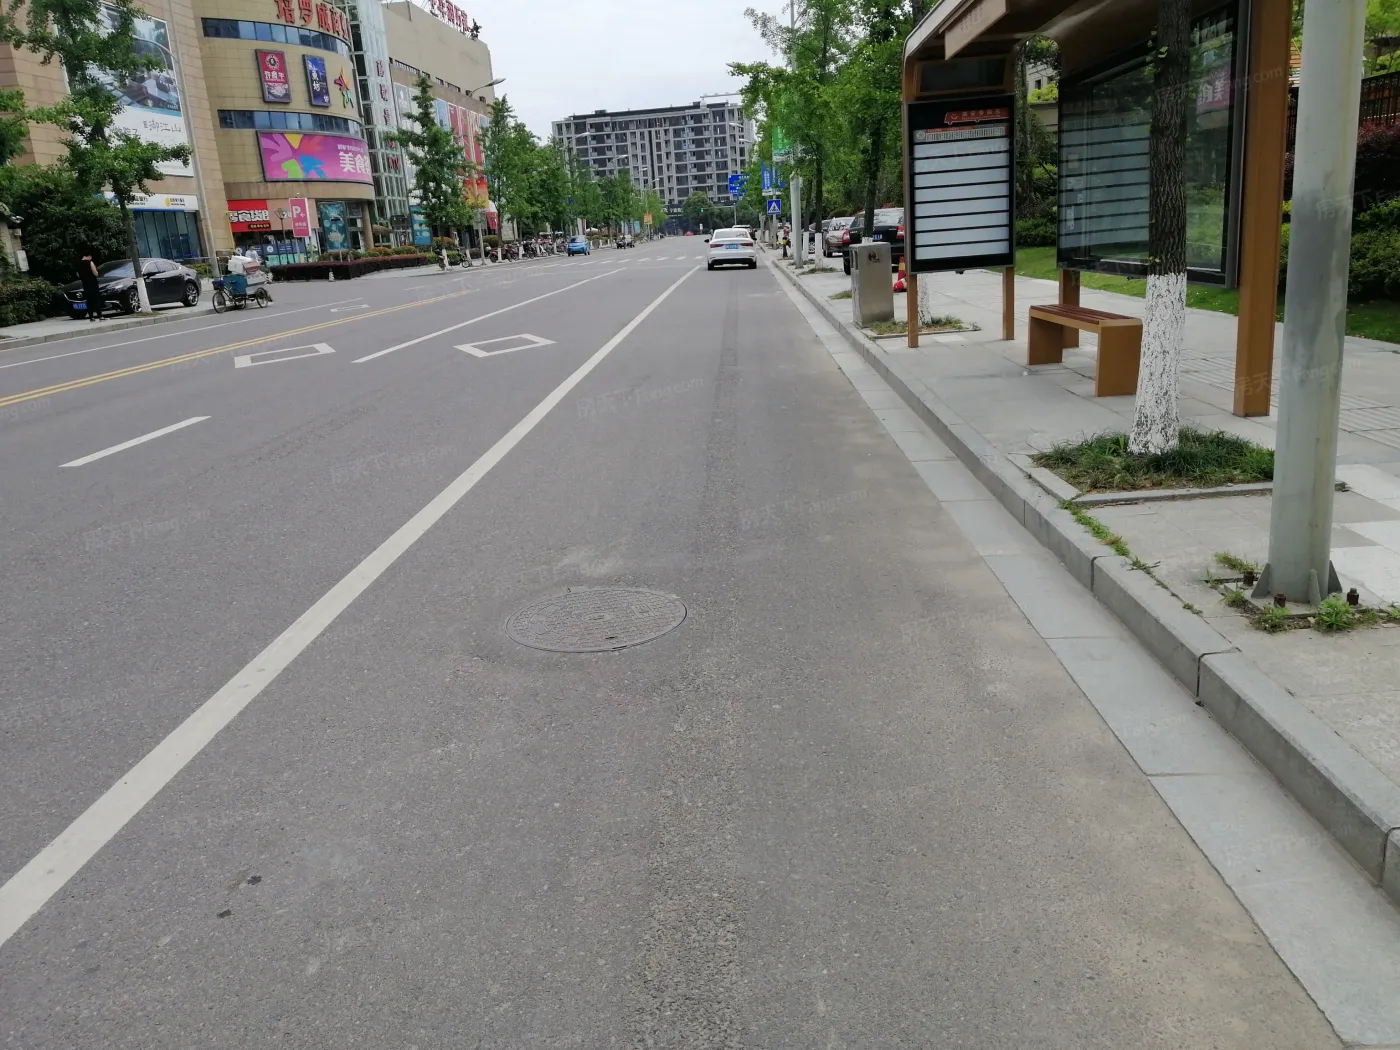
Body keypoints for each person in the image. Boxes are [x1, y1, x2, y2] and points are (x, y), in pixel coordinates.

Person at [77, 252, 104, 322]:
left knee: (89, 300)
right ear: (89, 256)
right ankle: (100, 316)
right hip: (92, 283)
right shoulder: (90, 262)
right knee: (96, 299)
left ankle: (91, 317)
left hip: (85, 284)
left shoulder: (78, 264)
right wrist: (96, 270)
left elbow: (78, 275)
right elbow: (95, 273)